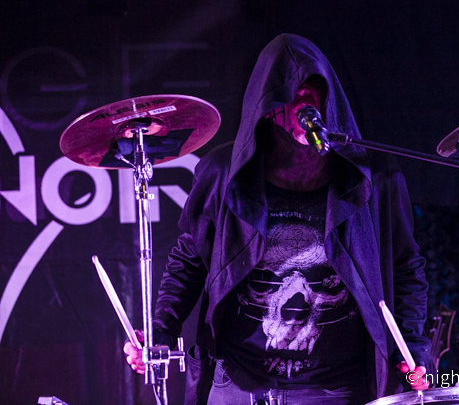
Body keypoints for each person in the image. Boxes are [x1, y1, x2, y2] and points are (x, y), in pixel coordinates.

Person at [124, 33, 432, 405]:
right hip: (238, 387)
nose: (304, 101)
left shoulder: (375, 175)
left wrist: (414, 346)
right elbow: (190, 261)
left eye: (313, 90)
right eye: (292, 93)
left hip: (337, 391)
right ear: (267, 106)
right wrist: (159, 331)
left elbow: (404, 266)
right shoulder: (222, 173)